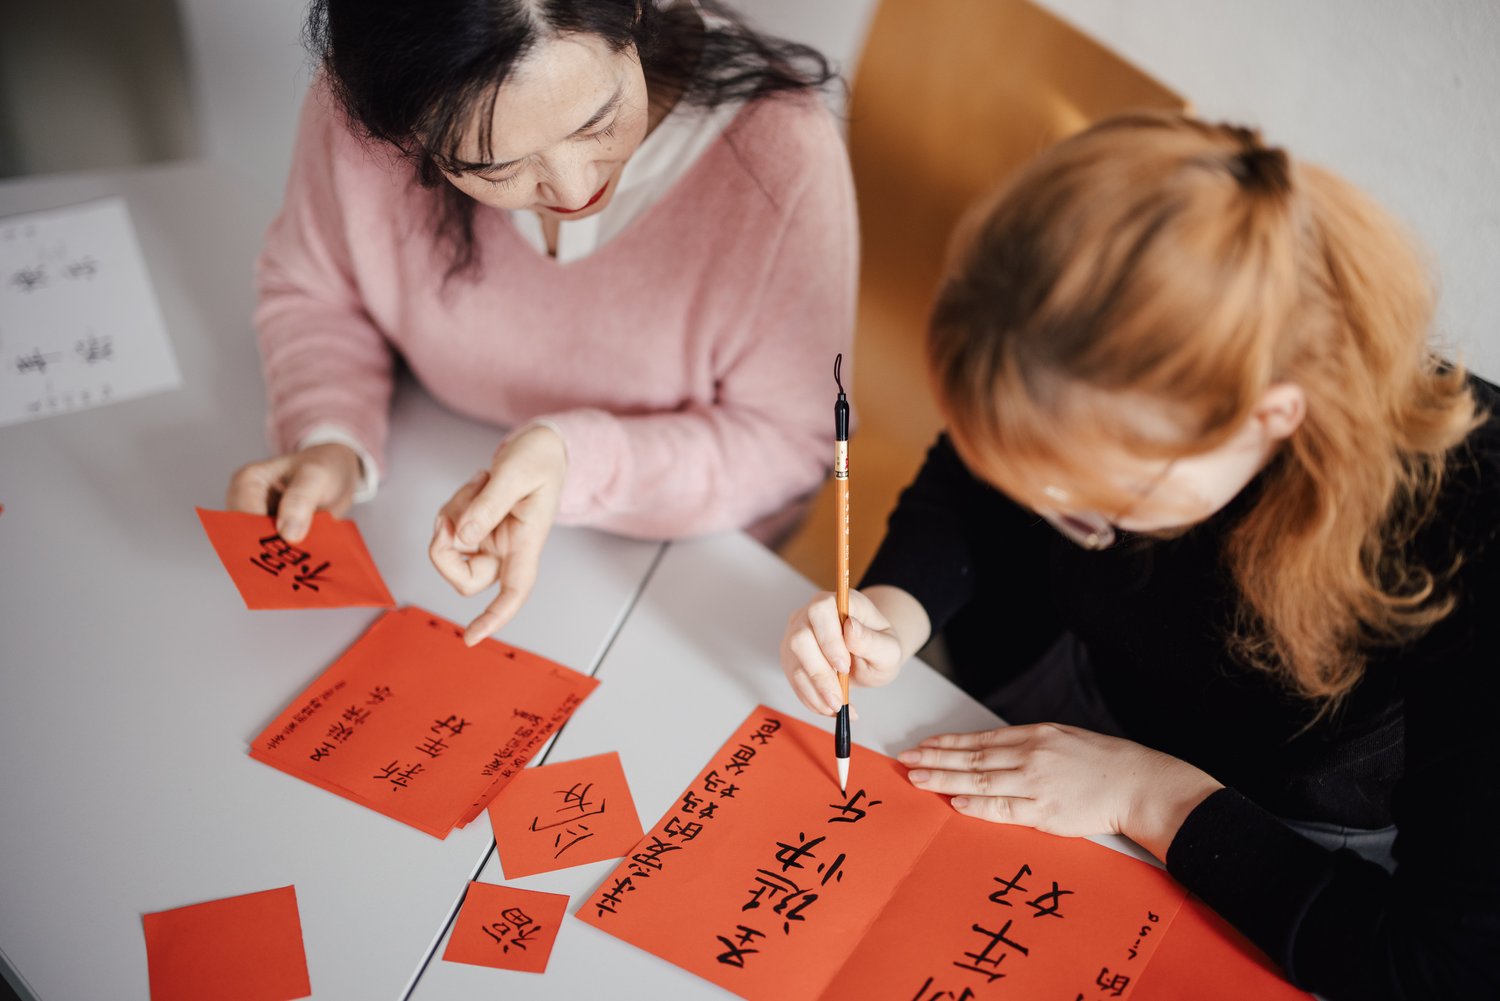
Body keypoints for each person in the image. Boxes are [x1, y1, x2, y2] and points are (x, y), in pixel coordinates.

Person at [780, 111, 1498, 999]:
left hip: (1299, 851)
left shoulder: (1473, 533)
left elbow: (1438, 967)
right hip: (1080, 710)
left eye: (1095, 504)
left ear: (1268, 418)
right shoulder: (1082, 362)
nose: (1052, 514)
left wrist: (1151, 798)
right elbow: (978, 488)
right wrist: (892, 609)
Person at [227, 0, 855, 643]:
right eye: (494, 167)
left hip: (675, 572)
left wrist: (576, 459)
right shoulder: (367, 107)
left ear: (635, 13)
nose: (572, 188)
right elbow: (316, 290)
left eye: (599, 120)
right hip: (414, 498)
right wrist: (329, 435)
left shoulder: (776, 151)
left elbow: (792, 442)